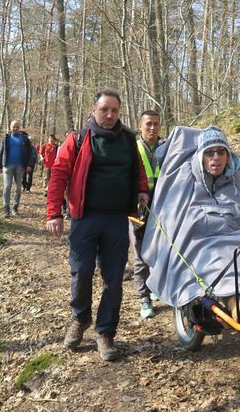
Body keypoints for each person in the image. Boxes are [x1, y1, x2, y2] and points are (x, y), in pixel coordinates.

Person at [46, 89, 149, 361]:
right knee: (81, 273)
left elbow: (137, 170)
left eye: (114, 110)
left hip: (117, 219)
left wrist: (142, 190)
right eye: (104, 109)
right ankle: (80, 319)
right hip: (84, 217)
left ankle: (105, 333)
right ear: (94, 111)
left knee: (113, 279)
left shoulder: (128, 139)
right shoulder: (78, 139)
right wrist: (53, 213)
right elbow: (58, 174)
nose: (109, 115)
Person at [127, 110, 165, 319]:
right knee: (140, 254)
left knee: (161, 251)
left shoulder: (167, 147)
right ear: (140, 125)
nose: (152, 128)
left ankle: (157, 287)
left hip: (164, 209)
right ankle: (144, 297)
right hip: (138, 209)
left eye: (156, 124)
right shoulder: (132, 147)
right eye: (148, 124)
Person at [0, 120, 34, 217]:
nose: (15, 128)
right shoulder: (6, 138)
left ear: (19, 128)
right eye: (13, 127)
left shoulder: (25, 138)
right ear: (10, 127)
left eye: (17, 127)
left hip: (20, 166)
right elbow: (1, 152)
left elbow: (31, 153)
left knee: (18, 188)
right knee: (7, 186)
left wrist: (29, 164)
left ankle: (15, 207)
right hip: (8, 166)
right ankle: (6, 208)